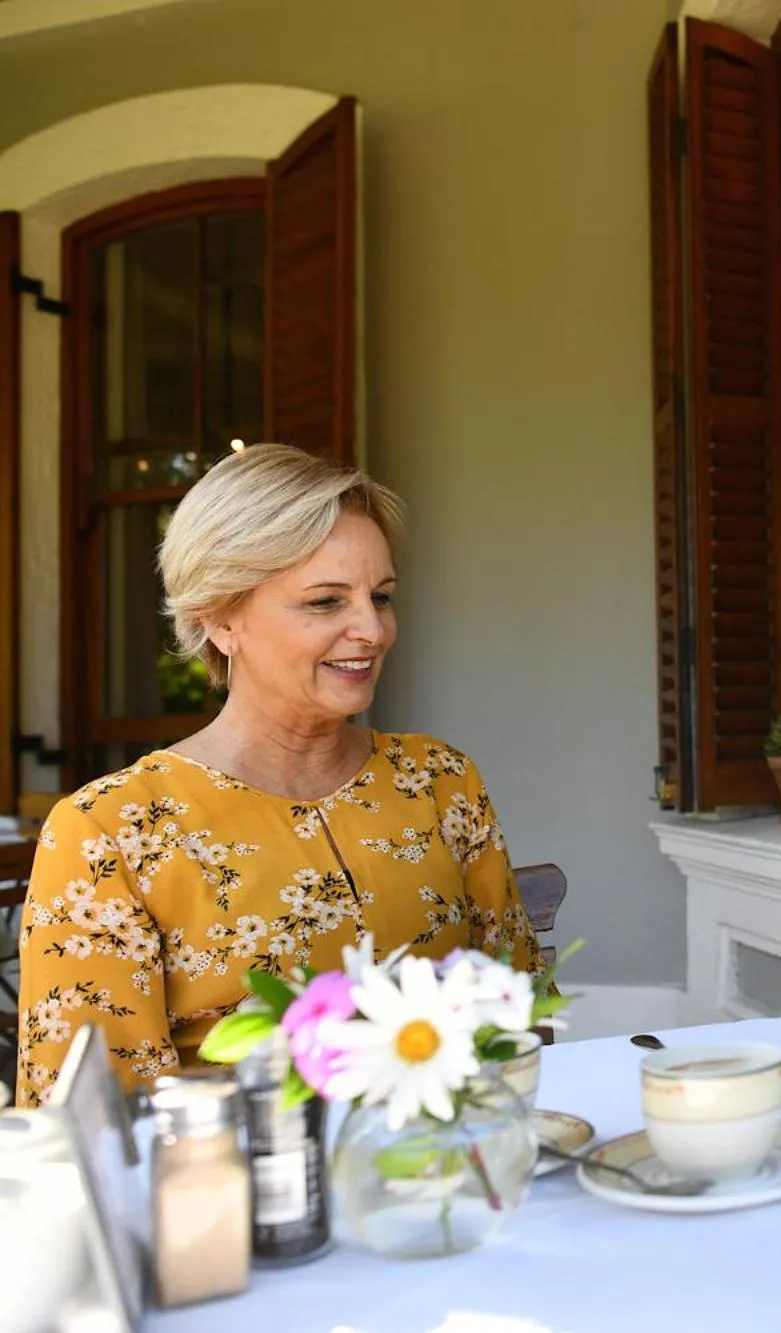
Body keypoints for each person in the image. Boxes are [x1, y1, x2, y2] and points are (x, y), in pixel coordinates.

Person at [15, 445, 539, 1103]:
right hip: (238, 1193)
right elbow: (96, 1124)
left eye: (381, 596)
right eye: (325, 601)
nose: (372, 628)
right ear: (220, 621)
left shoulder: (440, 782)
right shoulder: (111, 833)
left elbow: (517, 1021)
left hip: (444, 1177)